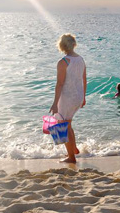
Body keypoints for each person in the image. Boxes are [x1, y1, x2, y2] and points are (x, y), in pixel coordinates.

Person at [50, 33, 86, 163]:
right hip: (78, 96)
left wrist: (55, 104)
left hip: (67, 98)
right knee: (68, 124)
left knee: (62, 127)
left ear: (62, 46)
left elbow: (60, 84)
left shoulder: (63, 62)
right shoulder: (81, 59)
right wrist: (83, 97)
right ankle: (74, 149)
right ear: (73, 44)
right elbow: (84, 79)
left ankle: (71, 157)